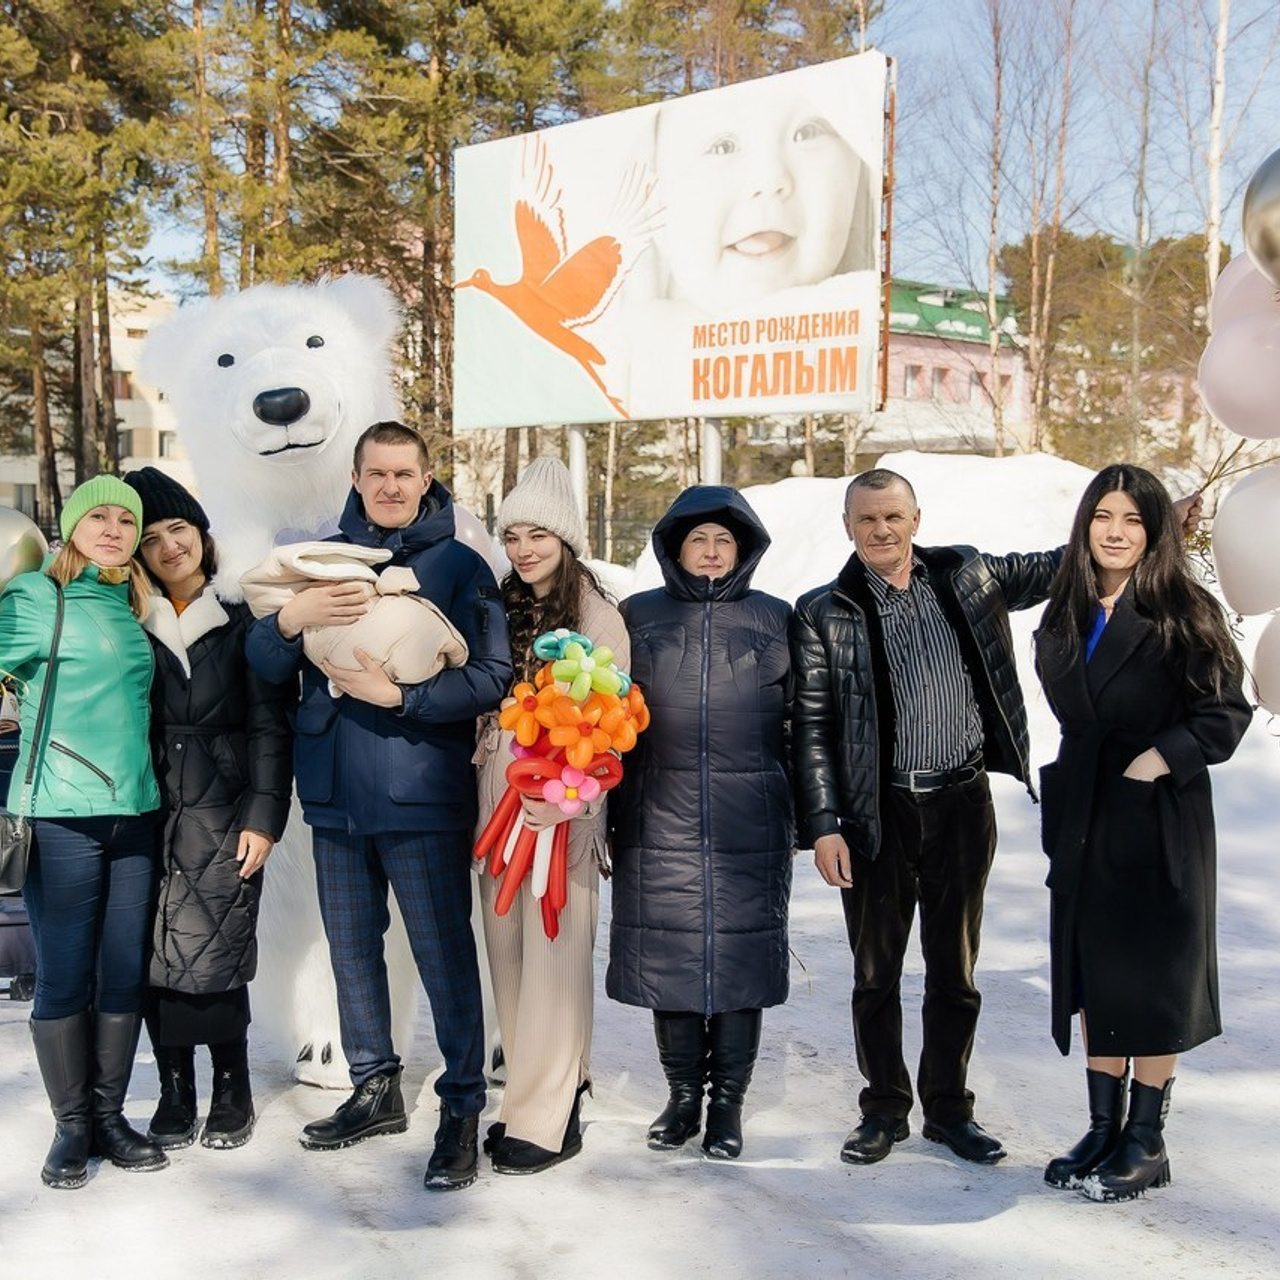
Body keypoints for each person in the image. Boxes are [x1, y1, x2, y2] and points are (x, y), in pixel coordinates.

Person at [245, 421, 512, 1191]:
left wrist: (405, 695)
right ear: (357, 479)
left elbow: (492, 675)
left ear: (426, 480)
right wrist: (292, 620)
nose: (391, 486)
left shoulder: (462, 566)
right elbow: (264, 666)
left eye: (405, 473)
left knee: (441, 952)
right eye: (376, 474)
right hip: (332, 793)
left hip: (421, 792)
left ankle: (461, 1104)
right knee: (351, 946)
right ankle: (376, 1086)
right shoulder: (320, 562)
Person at [790, 468, 1062, 1167]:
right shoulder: (825, 610)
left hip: (964, 802)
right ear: (848, 528)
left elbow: (1057, 568)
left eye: (894, 517)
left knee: (955, 969)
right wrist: (824, 825)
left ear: (916, 517)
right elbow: (812, 727)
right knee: (876, 972)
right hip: (875, 812)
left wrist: (1148, 526)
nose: (882, 531)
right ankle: (883, 1107)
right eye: (867, 520)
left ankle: (948, 1109)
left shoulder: (965, 576)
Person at [1034, 464, 1249, 1203]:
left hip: (1158, 813)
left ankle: (1147, 1140)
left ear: (1155, 530)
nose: (1116, 532)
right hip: (1086, 810)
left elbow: (1225, 714)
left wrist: (1160, 760)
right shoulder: (1065, 610)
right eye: (1103, 517)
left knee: (1153, 974)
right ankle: (1103, 1125)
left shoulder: (1183, 607)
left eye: (1131, 519)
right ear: (1085, 525)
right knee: (1094, 970)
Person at [609, 486, 793, 1160]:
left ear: (742, 549)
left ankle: (727, 1107)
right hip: (658, 814)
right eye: (698, 541)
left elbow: (806, 725)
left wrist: (807, 814)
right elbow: (607, 719)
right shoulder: (638, 615)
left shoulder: (777, 618)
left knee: (740, 965)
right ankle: (683, 1097)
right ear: (674, 549)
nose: (711, 552)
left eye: (724, 541)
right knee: (674, 961)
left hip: (751, 818)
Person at [0, 475, 167, 1189]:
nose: (112, 529)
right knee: (66, 975)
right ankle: (71, 1128)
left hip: (135, 812)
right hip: (61, 815)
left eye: (124, 521)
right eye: (96, 517)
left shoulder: (135, 606)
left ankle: (109, 1116)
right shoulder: (36, 596)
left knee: (124, 972)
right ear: (70, 527)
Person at [124, 467, 294, 1152]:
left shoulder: (240, 614)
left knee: (215, 949)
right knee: (148, 954)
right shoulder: (131, 621)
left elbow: (271, 725)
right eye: (155, 537)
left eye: (180, 530)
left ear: (202, 533)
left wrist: (263, 814)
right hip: (144, 807)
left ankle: (231, 1088)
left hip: (225, 809)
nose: (171, 546)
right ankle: (174, 1089)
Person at [473, 457, 627, 1174]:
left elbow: (610, 720)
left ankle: (552, 1110)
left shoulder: (598, 616)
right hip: (494, 813)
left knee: (555, 957)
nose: (525, 548)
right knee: (507, 953)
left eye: (539, 534)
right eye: (513, 535)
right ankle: (528, 1097)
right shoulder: (503, 607)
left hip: (558, 814)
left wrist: (561, 798)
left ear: (566, 539)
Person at [652, 74, 875, 316]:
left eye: (807, 132)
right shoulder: (625, 342)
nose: (769, 179)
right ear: (654, 207)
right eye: (722, 147)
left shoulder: (867, 318)